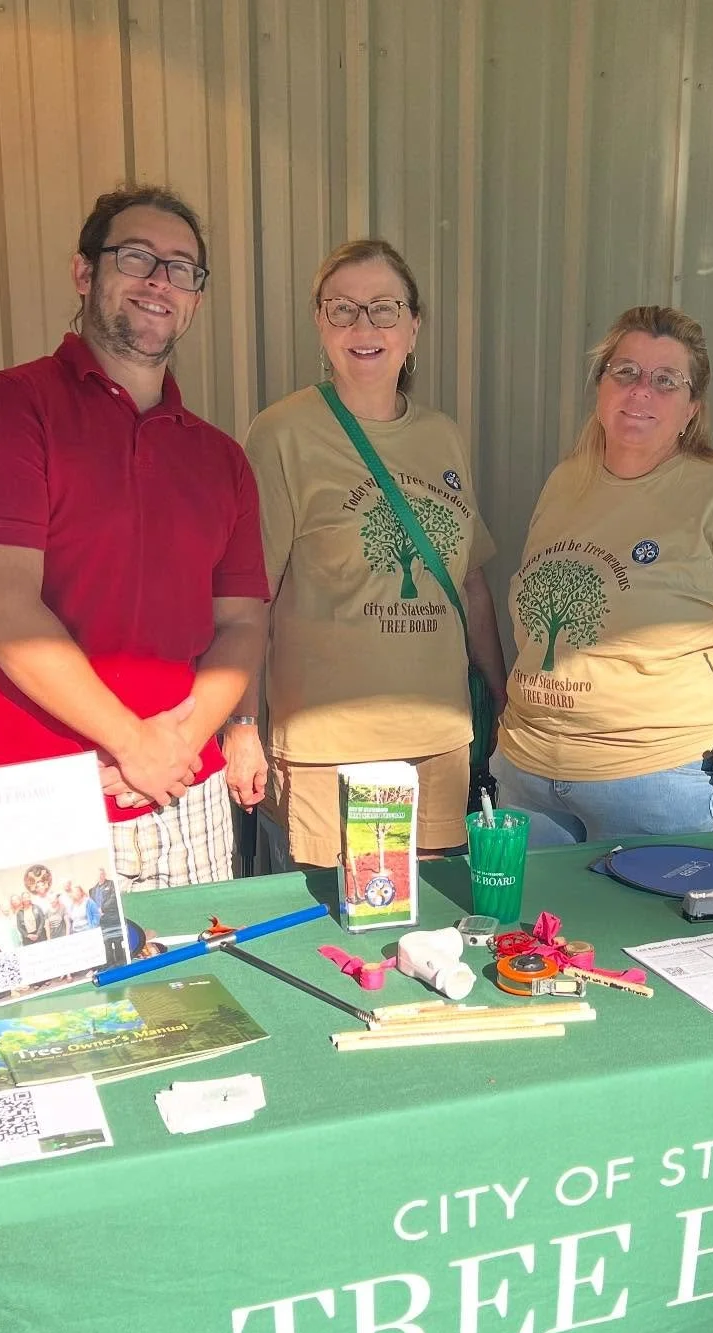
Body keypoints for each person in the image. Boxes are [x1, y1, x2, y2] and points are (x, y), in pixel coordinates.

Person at [0, 185, 270, 890]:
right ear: (84, 274)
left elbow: (241, 622)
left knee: (206, 1000)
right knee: (42, 1007)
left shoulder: (220, 459)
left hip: (186, 796)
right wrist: (131, 742)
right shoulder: (6, 409)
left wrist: (172, 747)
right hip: (36, 800)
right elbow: (1, 604)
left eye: (182, 269)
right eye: (138, 257)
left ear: (196, 300)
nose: (160, 281)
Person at [492, 306, 713, 843]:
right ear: (601, 387)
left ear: (692, 408)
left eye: (666, 380)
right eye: (625, 372)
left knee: (649, 929)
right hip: (528, 773)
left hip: (659, 783)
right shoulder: (565, 483)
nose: (641, 391)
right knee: (530, 929)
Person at [243, 238, 507, 868]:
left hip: (439, 744)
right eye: (343, 309)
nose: (365, 327)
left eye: (384, 309)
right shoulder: (282, 434)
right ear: (320, 323)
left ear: (413, 326)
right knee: (339, 935)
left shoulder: (441, 436)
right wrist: (242, 728)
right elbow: (253, 595)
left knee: (431, 928)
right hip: (325, 748)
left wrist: (501, 694)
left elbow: (468, 583)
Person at [89, 867, 126, 965]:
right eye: (99, 874)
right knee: (106, 942)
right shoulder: (92, 890)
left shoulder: (111, 884)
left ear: (105, 875)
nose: (101, 876)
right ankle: (110, 963)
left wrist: (102, 908)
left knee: (117, 941)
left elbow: (114, 898)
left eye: (102, 874)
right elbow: (91, 904)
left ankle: (120, 962)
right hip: (102, 921)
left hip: (113, 918)